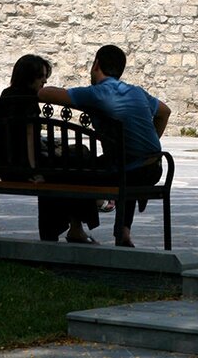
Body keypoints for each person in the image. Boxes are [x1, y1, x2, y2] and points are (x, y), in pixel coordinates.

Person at [37, 44, 170, 248]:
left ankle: (73, 229)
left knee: (69, 169)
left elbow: (45, 94)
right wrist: (152, 142)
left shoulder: (97, 93)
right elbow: (165, 112)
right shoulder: (137, 92)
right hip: (154, 168)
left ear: (96, 64)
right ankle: (123, 232)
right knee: (123, 164)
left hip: (127, 171)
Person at [0, 54, 99, 243]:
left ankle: (71, 226)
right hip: (23, 169)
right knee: (76, 163)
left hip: (6, 168)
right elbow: (28, 137)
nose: (45, 80)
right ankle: (78, 222)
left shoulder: (6, 95)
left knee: (71, 162)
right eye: (41, 76)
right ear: (28, 77)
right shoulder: (29, 100)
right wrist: (34, 171)